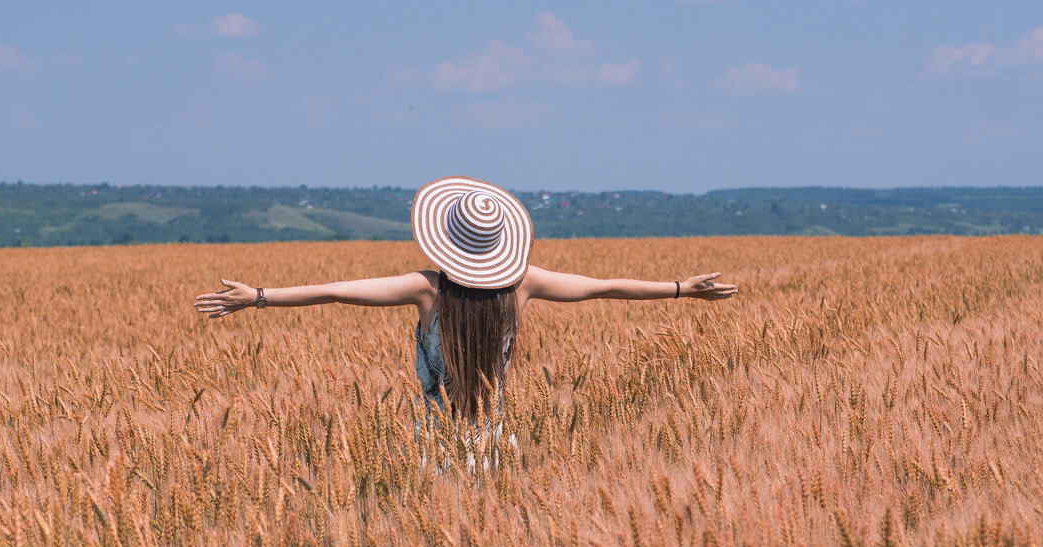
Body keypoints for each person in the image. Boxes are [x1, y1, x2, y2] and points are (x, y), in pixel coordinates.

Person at [194, 175, 737, 430]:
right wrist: (681, 289)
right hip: (493, 441)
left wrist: (259, 298)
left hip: (431, 446)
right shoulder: (521, 284)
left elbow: (336, 292)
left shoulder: (427, 287)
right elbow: (604, 286)